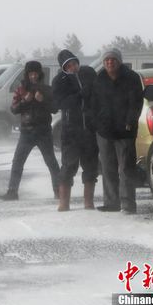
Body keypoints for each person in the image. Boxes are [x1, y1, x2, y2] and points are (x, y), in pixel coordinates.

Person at [91, 48, 143, 214]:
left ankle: (128, 204)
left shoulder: (131, 78)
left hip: (125, 131)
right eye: (106, 60)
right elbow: (93, 103)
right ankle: (111, 202)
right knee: (107, 167)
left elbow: (136, 102)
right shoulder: (99, 79)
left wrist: (130, 120)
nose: (110, 62)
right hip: (104, 131)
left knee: (126, 168)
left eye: (113, 59)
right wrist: (96, 123)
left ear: (119, 61)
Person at [0, 61, 60, 201]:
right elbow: (14, 109)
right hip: (26, 132)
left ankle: (58, 191)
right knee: (18, 162)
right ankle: (12, 192)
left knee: (51, 162)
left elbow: (55, 108)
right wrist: (25, 101)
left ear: (40, 74)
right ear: (26, 74)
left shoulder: (46, 89)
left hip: (43, 132)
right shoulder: (20, 90)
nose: (33, 76)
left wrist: (42, 100)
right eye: (30, 73)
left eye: (35, 73)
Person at [52, 49, 99, 211]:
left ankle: (89, 202)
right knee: (68, 166)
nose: (73, 67)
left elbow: (98, 95)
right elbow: (60, 103)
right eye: (68, 65)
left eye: (74, 63)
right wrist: (79, 95)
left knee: (91, 167)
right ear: (63, 67)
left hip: (89, 130)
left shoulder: (88, 73)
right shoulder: (60, 80)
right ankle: (64, 202)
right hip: (70, 131)